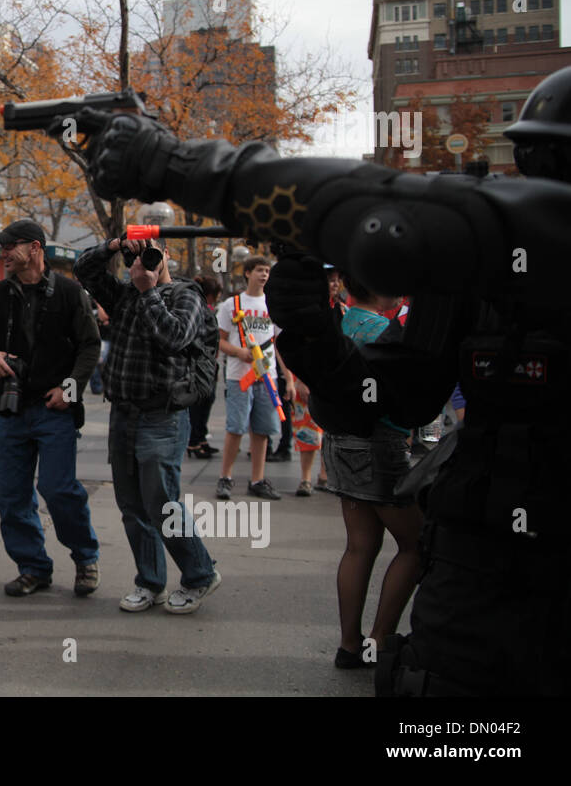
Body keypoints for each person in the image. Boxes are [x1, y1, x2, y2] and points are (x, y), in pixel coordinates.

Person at [80, 64, 571, 694]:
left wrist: (177, 164)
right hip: (481, 577)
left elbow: (391, 206)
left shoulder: (520, 236)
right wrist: (304, 298)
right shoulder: (489, 281)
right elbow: (394, 389)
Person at [75, 235, 221, 614]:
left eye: (155, 254)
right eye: (140, 256)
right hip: (123, 413)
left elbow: (174, 338)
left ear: (167, 257)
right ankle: (150, 581)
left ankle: (200, 574)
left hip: (163, 415)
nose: (148, 262)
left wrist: (149, 291)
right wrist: (112, 246)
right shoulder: (124, 293)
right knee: (132, 505)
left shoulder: (186, 295)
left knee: (162, 503)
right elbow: (83, 269)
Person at [0, 219, 101, 598]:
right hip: (13, 407)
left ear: (34, 248)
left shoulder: (69, 292)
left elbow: (90, 346)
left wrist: (70, 389)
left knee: (58, 488)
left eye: (9, 247)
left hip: (55, 409)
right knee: (12, 495)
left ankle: (85, 557)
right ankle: (33, 567)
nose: (3, 254)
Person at [321, 271, 422, 668]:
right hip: (380, 445)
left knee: (359, 546)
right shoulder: (385, 330)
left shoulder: (337, 325)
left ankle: (349, 644)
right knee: (417, 545)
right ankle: (378, 641)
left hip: (339, 442)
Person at [215, 257, 293, 500]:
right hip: (240, 377)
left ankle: (257, 479)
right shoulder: (232, 304)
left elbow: (280, 345)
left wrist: (288, 378)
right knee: (235, 428)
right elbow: (219, 339)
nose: (264, 275)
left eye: (267, 271)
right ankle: (225, 477)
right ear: (247, 273)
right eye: (259, 270)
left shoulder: (274, 305)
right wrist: (239, 352)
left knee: (263, 431)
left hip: (267, 377)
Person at [185, 275, 222, 459]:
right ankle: (194, 440)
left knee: (206, 402)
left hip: (207, 363)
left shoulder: (205, 310)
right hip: (200, 365)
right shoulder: (199, 310)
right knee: (198, 405)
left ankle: (200, 438)